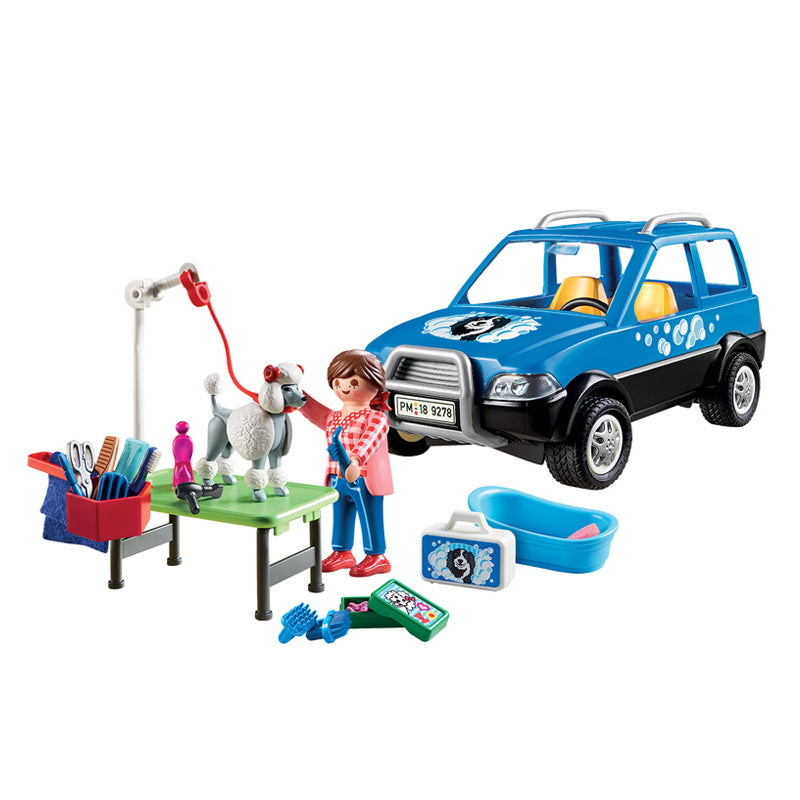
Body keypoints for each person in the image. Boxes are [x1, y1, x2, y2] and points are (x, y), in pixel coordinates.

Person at [299, 349, 393, 578]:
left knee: (369, 516)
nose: (344, 387)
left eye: (353, 382)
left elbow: (369, 441)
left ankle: (376, 556)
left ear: (375, 384)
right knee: (340, 514)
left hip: (363, 477)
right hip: (336, 476)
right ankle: (342, 552)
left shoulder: (376, 418)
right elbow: (311, 409)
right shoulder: (334, 417)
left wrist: (355, 459)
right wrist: (293, 390)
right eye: (338, 381)